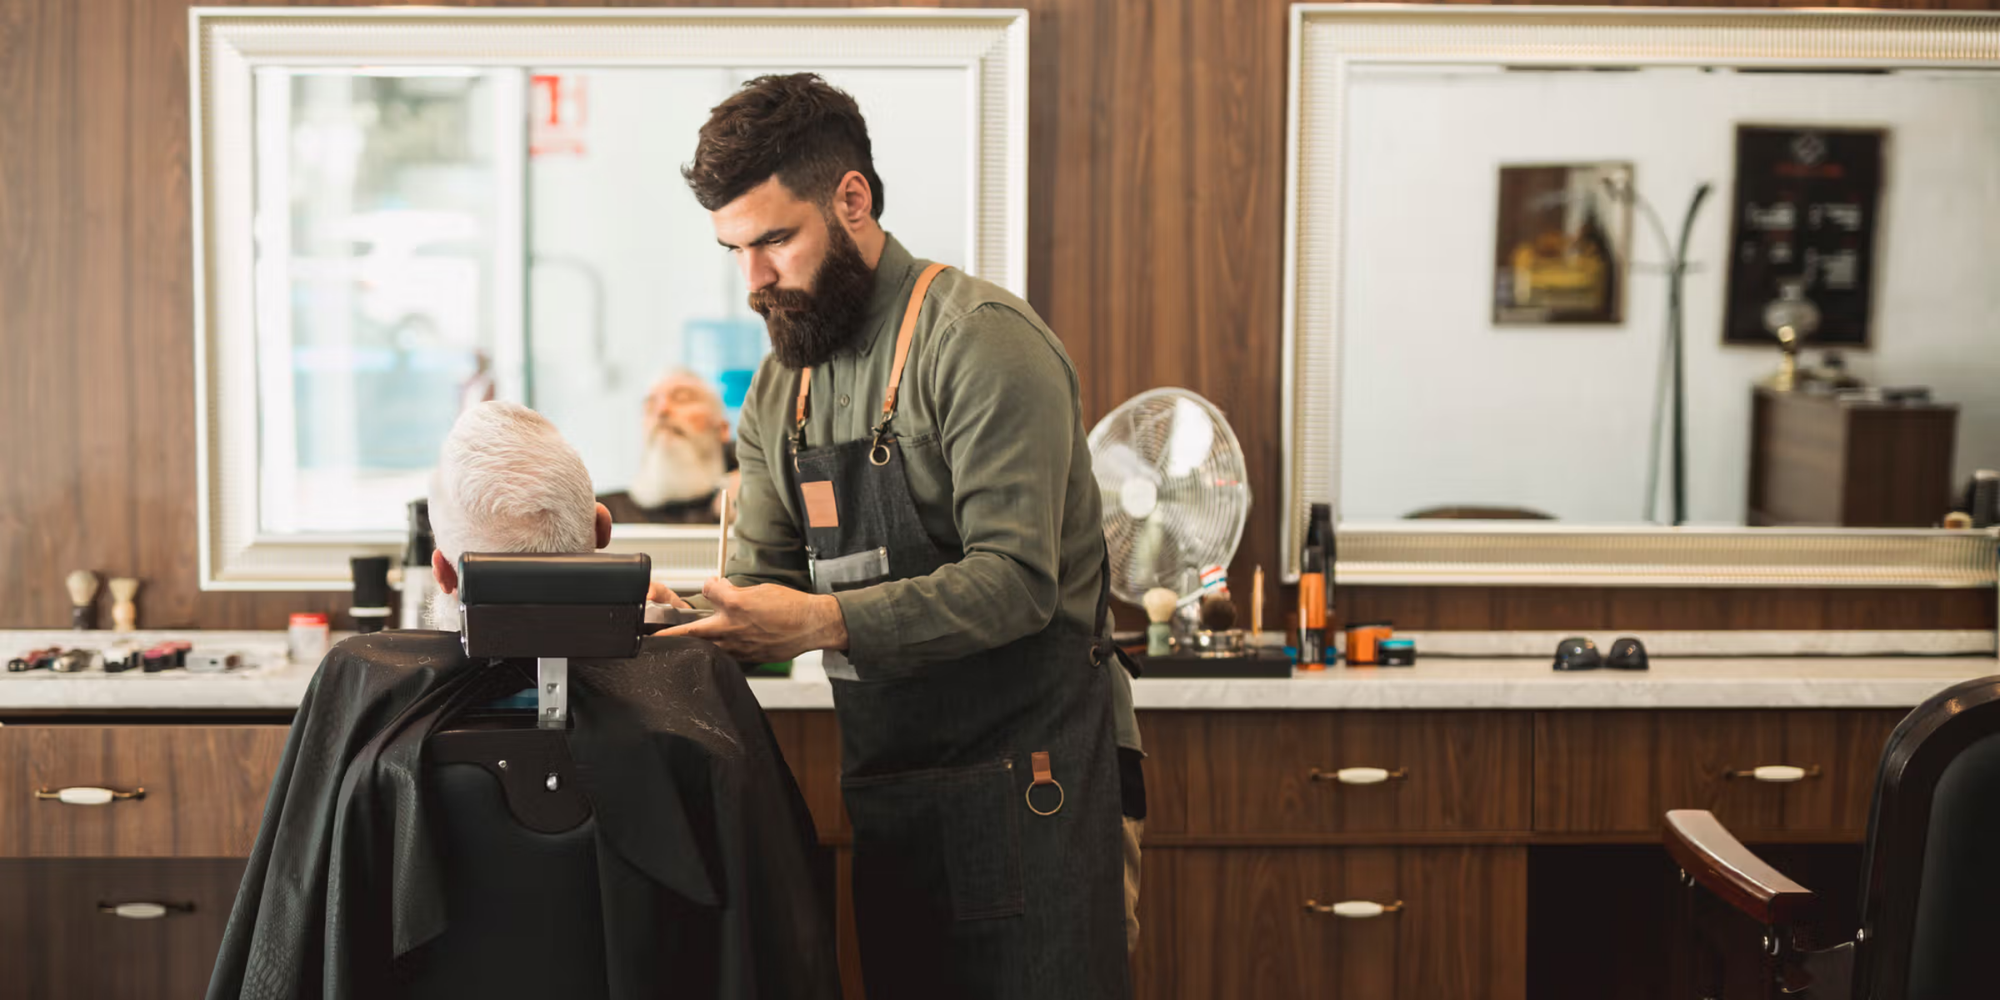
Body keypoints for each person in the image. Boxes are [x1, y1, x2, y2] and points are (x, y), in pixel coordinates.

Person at [659, 73, 1140, 998]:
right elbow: (757, 593)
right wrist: (659, 616)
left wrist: (822, 623)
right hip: (894, 799)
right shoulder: (778, 390)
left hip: (1036, 792)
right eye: (734, 249)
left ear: (852, 200)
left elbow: (1015, 583)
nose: (754, 281)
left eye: (773, 241)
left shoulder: (980, 343)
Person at [597, 368, 738, 525]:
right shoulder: (601, 516)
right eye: (650, 406)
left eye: (683, 399)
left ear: (722, 429)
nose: (662, 410)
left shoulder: (749, 505)